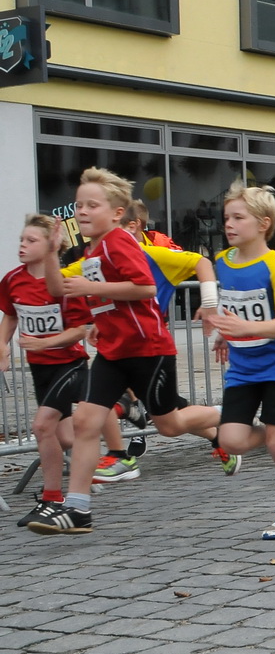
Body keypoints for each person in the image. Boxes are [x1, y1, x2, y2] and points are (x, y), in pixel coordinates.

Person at [32, 170, 228, 536]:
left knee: (168, 425)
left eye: (93, 205)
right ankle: (77, 510)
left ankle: (231, 412)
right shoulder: (91, 249)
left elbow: (145, 287)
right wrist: (50, 251)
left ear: (117, 213)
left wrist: (94, 286)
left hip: (146, 349)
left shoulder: (120, 242)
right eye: (78, 205)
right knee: (86, 423)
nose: (83, 211)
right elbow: (57, 287)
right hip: (111, 351)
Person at [205, 185, 275, 540]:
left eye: (239, 217)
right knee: (232, 440)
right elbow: (233, 304)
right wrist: (226, 331)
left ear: (263, 223)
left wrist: (245, 326)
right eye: (227, 217)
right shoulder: (222, 262)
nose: (230, 224)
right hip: (243, 366)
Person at [4, 216, 93, 528]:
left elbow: (81, 329)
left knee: (41, 426)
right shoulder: (13, 279)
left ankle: (52, 498)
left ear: (50, 246)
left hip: (68, 364)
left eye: (31, 241)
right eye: (21, 240)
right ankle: (112, 409)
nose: (22, 246)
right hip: (39, 368)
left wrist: (46, 343)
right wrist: (2, 345)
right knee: (65, 436)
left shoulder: (64, 284)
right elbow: (11, 316)